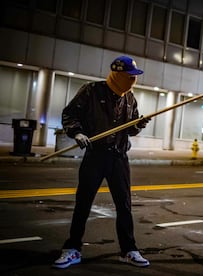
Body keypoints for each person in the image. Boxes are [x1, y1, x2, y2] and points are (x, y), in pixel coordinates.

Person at [53, 56, 150, 269]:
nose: (133, 81)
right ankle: (72, 249)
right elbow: (70, 114)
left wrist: (139, 124)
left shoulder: (130, 98)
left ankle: (129, 250)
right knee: (83, 204)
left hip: (118, 158)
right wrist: (77, 133)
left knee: (124, 206)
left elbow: (129, 129)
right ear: (118, 74)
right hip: (95, 156)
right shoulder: (91, 91)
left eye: (134, 77)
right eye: (130, 76)